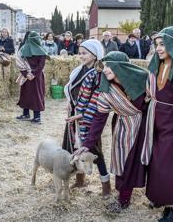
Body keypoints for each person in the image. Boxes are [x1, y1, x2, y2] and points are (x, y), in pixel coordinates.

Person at [75, 51, 148, 212]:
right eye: (105, 65)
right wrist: (87, 144)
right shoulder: (106, 90)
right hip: (125, 127)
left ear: (121, 67)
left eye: (110, 66)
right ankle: (123, 198)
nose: (105, 69)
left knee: (147, 160)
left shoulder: (141, 81)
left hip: (146, 126)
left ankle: (155, 195)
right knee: (124, 161)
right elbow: (99, 119)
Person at [142, 26, 173, 222]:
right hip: (155, 123)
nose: (159, 49)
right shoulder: (158, 65)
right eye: (156, 45)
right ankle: (159, 197)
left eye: (163, 44)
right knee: (155, 163)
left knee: (168, 166)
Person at [63, 39, 111, 196]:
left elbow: (97, 100)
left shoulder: (98, 74)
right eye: (80, 53)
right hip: (75, 116)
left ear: (95, 54)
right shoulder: (79, 70)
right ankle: (80, 180)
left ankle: (106, 187)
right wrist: (70, 102)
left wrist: (81, 114)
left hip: (88, 118)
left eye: (84, 53)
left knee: (95, 152)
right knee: (76, 148)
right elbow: (71, 89)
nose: (80, 56)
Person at [16, 31, 49, 124]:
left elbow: (41, 65)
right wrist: (27, 74)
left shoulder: (38, 50)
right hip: (31, 76)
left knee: (36, 95)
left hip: (35, 77)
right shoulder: (24, 49)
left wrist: (30, 74)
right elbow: (20, 62)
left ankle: (37, 117)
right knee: (26, 95)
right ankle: (26, 114)